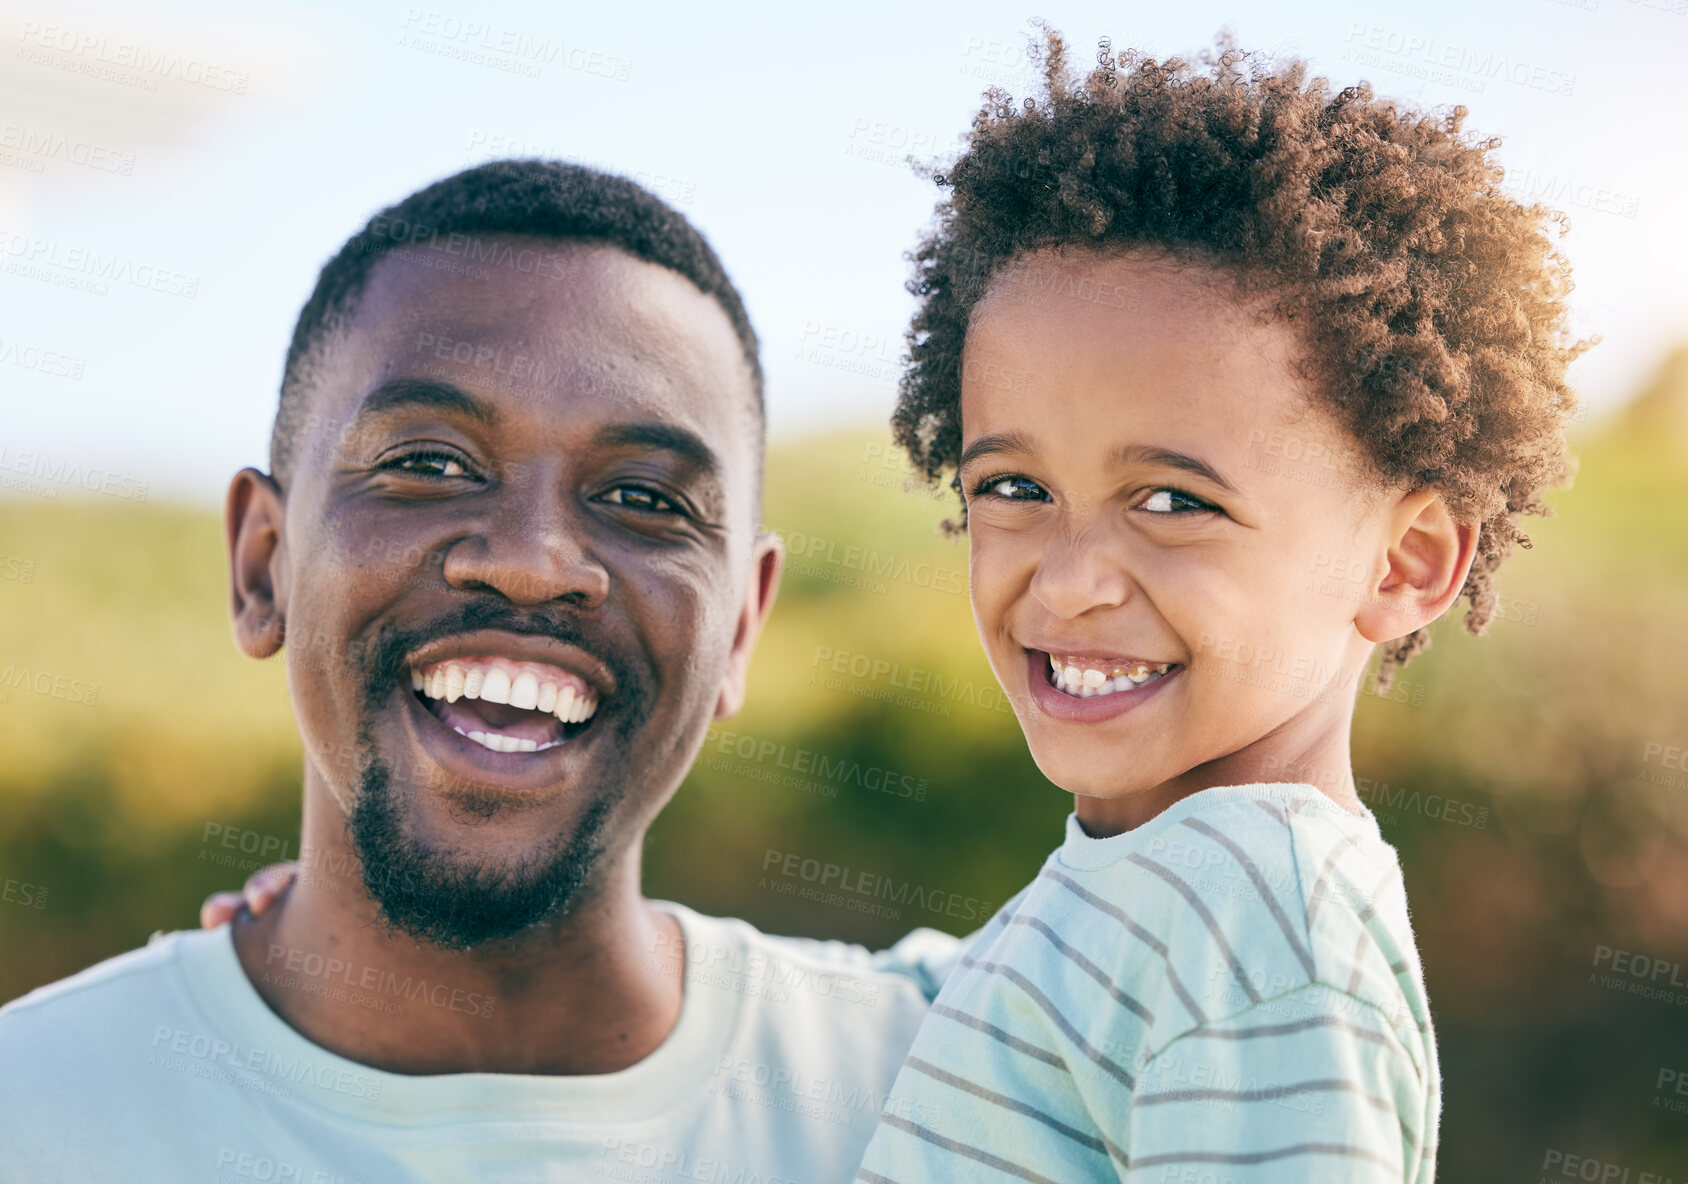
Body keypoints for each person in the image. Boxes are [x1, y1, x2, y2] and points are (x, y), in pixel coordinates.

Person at [0, 160, 961, 1183]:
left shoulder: (961, 1080)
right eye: (427, 461)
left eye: (643, 496)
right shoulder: (36, 1110)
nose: (530, 559)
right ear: (261, 565)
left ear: (739, 627)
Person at [846, 31, 1581, 1183]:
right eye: (1014, 488)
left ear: (1403, 562)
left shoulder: (1259, 916)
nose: (1071, 575)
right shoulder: (1144, 880)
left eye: (1172, 500)